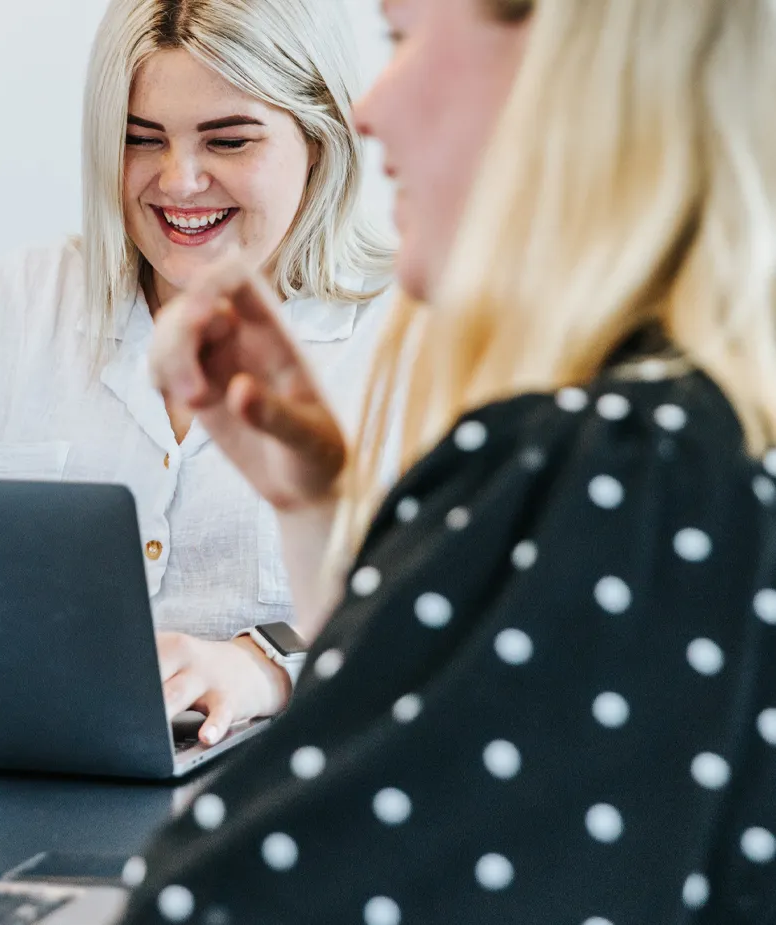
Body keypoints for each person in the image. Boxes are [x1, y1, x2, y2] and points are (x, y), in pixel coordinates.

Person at [122, 0, 776, 921]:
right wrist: (312, 509)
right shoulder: (702, 444)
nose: (366, 110)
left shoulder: (607, 468)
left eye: (405, 38)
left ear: (563, 72)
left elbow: (214, 904)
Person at [0, 0, 403, 743]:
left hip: (276, 797)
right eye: (141, 140)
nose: (179, 182)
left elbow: (450, 615)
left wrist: (268, 665)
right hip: (16, 770)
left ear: (320, 140)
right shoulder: (17, 307)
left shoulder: (407, 337)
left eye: (229, 141)